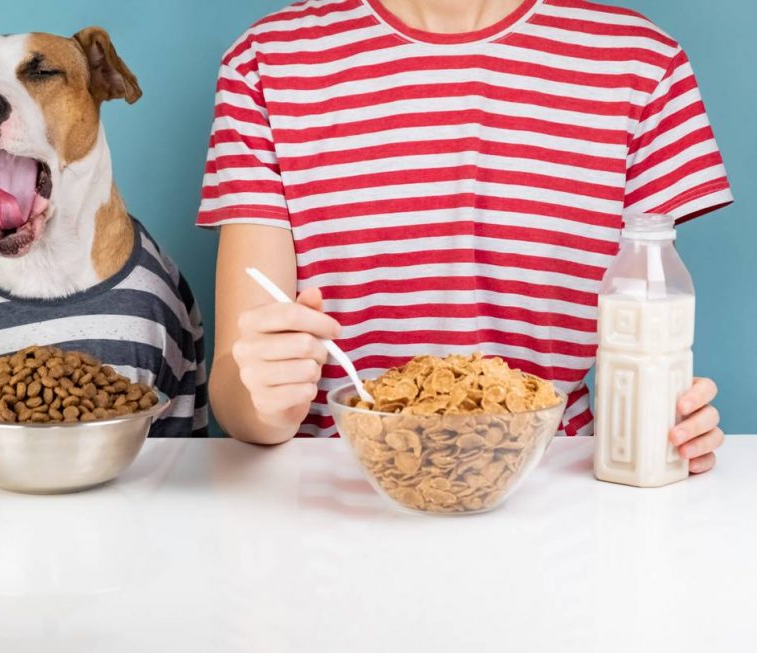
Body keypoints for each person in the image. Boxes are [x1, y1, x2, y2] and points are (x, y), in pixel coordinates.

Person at [196, 0, 730, 472]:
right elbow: (234, 387)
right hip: (334, 487)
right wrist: (267, 403)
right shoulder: (266, 62)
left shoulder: (644, 65)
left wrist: (667, 428)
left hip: (556, 489)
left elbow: (645, 334)